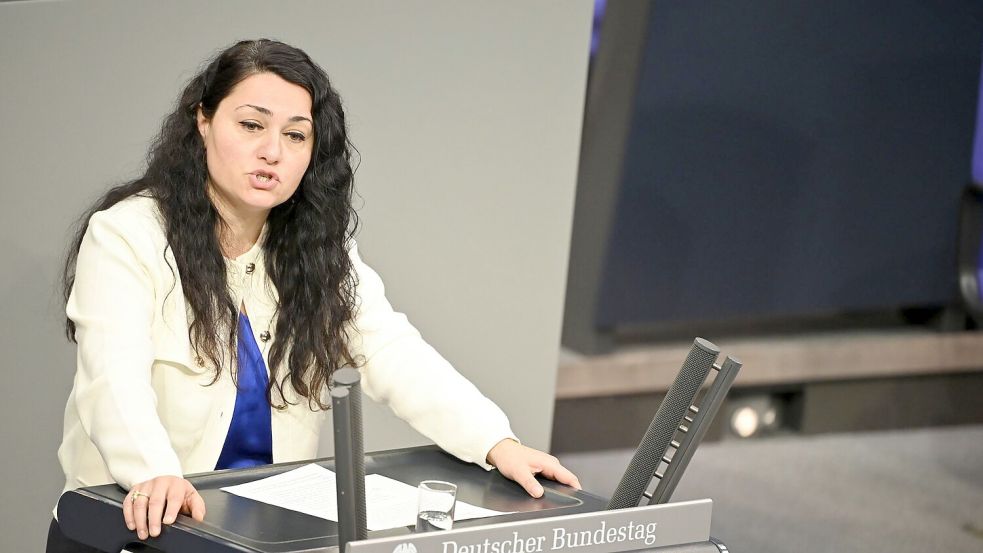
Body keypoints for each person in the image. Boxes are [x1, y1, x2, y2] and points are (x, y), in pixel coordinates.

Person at [49, 38, 580, 552]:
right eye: (251, 125)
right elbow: (112, 381)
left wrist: (497, 443)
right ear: (203, 121)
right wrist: (154, 473)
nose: (272, 152)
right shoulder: (126, 234)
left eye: (296, 135)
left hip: (259, 535)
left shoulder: (320, 246)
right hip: (134, 529)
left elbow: (391, 350)